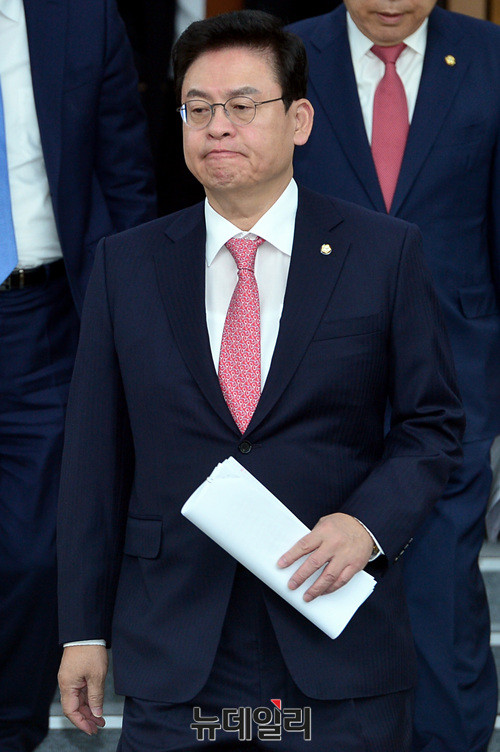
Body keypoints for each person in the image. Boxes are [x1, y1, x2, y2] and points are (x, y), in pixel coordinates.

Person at [56, 11, 464, 752]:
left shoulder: (383, 253)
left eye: (243, 105)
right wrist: (82, 629)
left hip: (335, 642)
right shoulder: (127, 265)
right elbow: (93, 460)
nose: (218, 126)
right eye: (199, 108)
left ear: (299, 120)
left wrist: (368, 525)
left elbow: (430, 424)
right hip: (177, 649)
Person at [289, 3, 500, 750]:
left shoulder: (489, 57)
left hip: (455, 367)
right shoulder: (287, 54)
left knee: (440, 581)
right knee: (321, 575)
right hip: (314, 374)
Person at [0, 1, 156, 749]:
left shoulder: (81, 16)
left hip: (42, 320)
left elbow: (124, 175)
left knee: (36, 552)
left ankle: (11, 726)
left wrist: (130, 318)